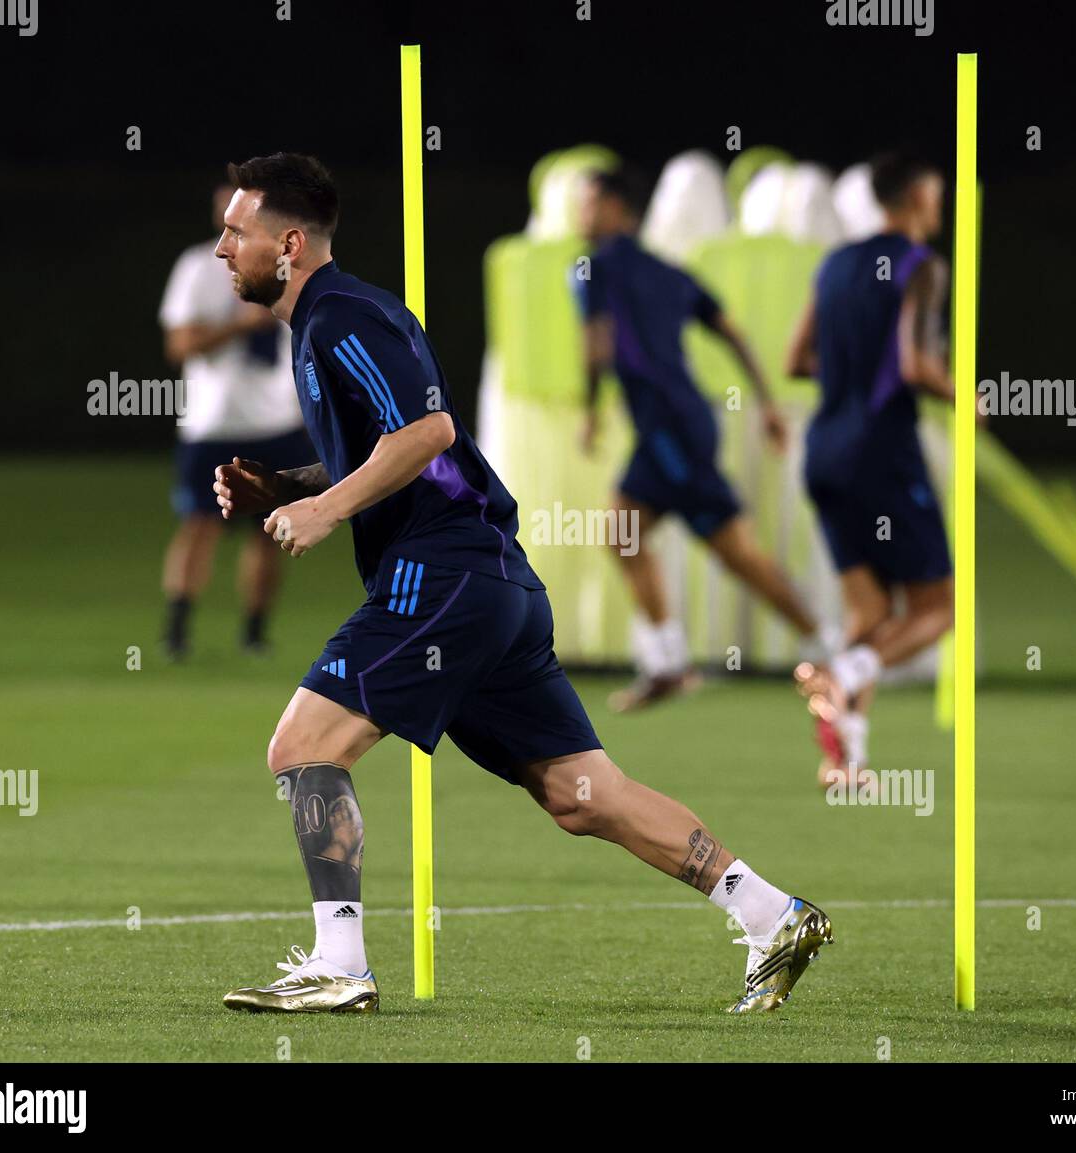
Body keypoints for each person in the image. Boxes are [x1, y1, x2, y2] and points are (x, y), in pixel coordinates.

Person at [209, 152, 832, 1014]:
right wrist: (289, 487)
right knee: (584, 796)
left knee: (304, 746)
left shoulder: (342, 314)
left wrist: (327, 513)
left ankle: (340, 964)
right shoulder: (323, 323)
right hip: (488, 584)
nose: (219, 248)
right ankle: (774, 914)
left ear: (287, 243)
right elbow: (387, 450)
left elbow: (428, 431)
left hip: (445, 573)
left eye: (234, 231)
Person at [575, 167, 818, 711]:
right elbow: (732, 331)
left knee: (734, 552)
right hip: (683, 420)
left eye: (590, 202)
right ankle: (667, 662)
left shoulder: (590, 270)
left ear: (621, 210)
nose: (580, 214)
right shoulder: (668, 272)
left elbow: (596, 348)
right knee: (623, 533)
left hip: (669, 428)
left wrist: (591, 411)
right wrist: (768, 403)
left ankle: (825, 648)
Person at [785, 153, 955, 788]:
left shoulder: (833, 263)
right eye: (935, 192)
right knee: (940, 609)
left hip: (824, 451)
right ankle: (840, 677)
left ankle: (845, 757)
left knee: (868, 611)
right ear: (915, 195)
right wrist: (968, 397)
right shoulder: (922, 266)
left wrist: (852, 374)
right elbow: (915, 364)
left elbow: (796, 359)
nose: (938, 205)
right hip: (881, 452)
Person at [158, 184, 309, 659]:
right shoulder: (200, 265)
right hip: (214, 423)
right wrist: (239, 326)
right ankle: (176, 630)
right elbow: (179, 346)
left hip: (277, 420)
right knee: (200, 525)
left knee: (271, 531)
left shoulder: (294, 264)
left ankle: (254, 633)